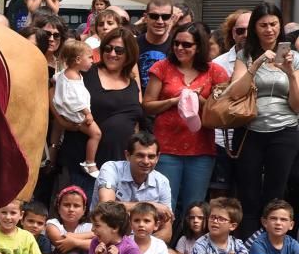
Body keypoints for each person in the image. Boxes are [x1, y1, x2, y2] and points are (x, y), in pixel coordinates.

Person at [226, 3, 299, 240]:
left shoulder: (294, 57)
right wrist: (255, 64)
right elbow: (234, 93)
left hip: (285, 129)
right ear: (255, 28)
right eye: (263, 25)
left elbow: (296, 106)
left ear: (280, 26)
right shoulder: (244, 55)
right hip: (250, 129)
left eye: (274, 24)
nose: (269, 30)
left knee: (276, 192)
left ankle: (274, 246)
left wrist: (289, 72)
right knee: (248, 192)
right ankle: (248, 245)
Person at [143, 23, 227, 216]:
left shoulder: (215, 71)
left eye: (186, 45)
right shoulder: (162, 67)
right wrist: (174, 101)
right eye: (176, 43)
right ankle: (166, 245)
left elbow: (221, 110)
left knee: (195, 206)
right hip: (167, 147)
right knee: (165, 205)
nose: (180, 48)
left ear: (199, 47)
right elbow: (147, 105)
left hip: (201, 148)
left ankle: (190, 245)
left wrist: (200, 100)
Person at [58, 28, 143, 197]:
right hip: (84, 164)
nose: (112, 54)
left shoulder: (132, 83)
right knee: (83, 218)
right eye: (107, 48)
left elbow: (134, 122)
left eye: (119, 50)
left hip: (119, 167)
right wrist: (64, 122)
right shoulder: (86, 72)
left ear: (130, 54)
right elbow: (55, 92)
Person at [210, 9, 251, 195]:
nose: (245, 35)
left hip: (256, 136)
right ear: (231, 33)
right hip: (222, 140)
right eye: (239, 30)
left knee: (248, 192)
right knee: (221, 193)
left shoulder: (271, 60)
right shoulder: (218, 63)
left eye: (250, 30)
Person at [53, 39, 101, 178]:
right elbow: (76, 100)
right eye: (90, 57)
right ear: (78, 59)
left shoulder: (65, 73)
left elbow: (55, 78)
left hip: (71, 115)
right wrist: (87, 113)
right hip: (77, 115)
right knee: (96, 134)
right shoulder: (73, 78)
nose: (92, 61)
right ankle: (90, 162)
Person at [45, 186, 93, 254]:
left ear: (84, 209)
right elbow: (61, 241)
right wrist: (90, 235)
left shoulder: (89, 226)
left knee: (87, 251)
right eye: (66, 205)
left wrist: (75, 242)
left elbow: (95, 246)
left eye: (76, 206)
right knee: (68, 248)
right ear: (58, 206)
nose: (71, 209)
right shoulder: (53, 224)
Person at [137, 0, 177, 91]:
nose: (160, 21)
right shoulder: (133, 44)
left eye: (165, 17)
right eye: (154, 16)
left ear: (171, 19)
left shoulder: (178, 46)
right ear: (145, 17)